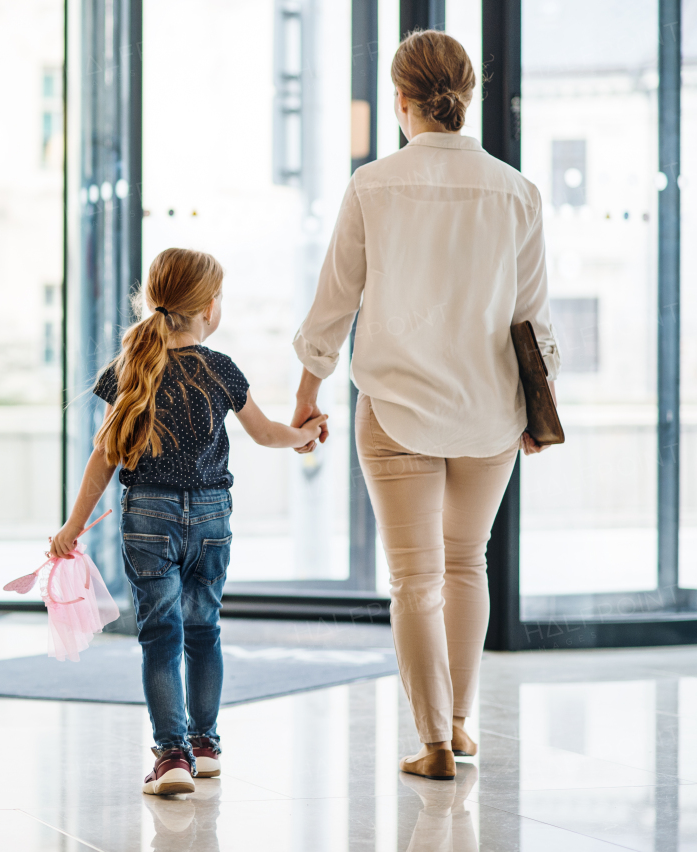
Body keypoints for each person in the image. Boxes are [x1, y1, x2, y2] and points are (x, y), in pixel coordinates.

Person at [291, 29, 560, 781]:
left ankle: (433, 742)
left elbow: (333, 305)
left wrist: (306, 399)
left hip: (394, 406)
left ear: (401, 100)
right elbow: (533, 318)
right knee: (465, 563)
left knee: (413, 578)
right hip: (491, 410)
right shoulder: (517, 191)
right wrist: (541, 411)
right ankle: (464, 725)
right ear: (466, 98)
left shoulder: (372, 185)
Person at [49, 247, 327, 795]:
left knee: (161, 635)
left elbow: (103, 456)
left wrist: (71, 528)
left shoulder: (130, 367)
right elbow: (268, 432)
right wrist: (306, 435)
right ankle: (206, 743)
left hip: (148, 516)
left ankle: (172, 756)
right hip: (210, 517)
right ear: (207, 307)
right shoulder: (220, 368)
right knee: (205, 629)